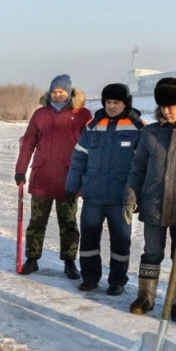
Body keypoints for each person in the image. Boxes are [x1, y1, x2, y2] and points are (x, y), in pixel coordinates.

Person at [124, 77, 176, 322]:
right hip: (154, 203)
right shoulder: (151, 132)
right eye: (163, 106)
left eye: (173, 106)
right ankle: (145, 296)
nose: (167, 111)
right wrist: (130, 197)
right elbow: (137, 168)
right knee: (151, 252)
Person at [65, 83, 145, 295]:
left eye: (116, 103)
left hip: (121, 197)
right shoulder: (92, 126)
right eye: (108, 102)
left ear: (125, 103)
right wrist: (72, 185)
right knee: (89, 239)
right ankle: (90, 278)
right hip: (93, 195)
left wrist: (138, 195)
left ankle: (117, 281)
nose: (111, 106)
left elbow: (143, 166)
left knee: (121, 241)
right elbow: (79, 158)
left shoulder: (138, 128)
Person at [15, 74, 91, 278]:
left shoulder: (82, 114)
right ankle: (32, 259)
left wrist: (87, 176)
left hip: (69, 179)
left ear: (70, 92)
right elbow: (28, 142)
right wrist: (20, 170)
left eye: (62, 91)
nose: (57, 95)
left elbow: (91, 147)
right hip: (42, 177)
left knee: (68, 222)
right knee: (37, 221)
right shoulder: (40, 114)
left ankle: (69, 262)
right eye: (54, 91)